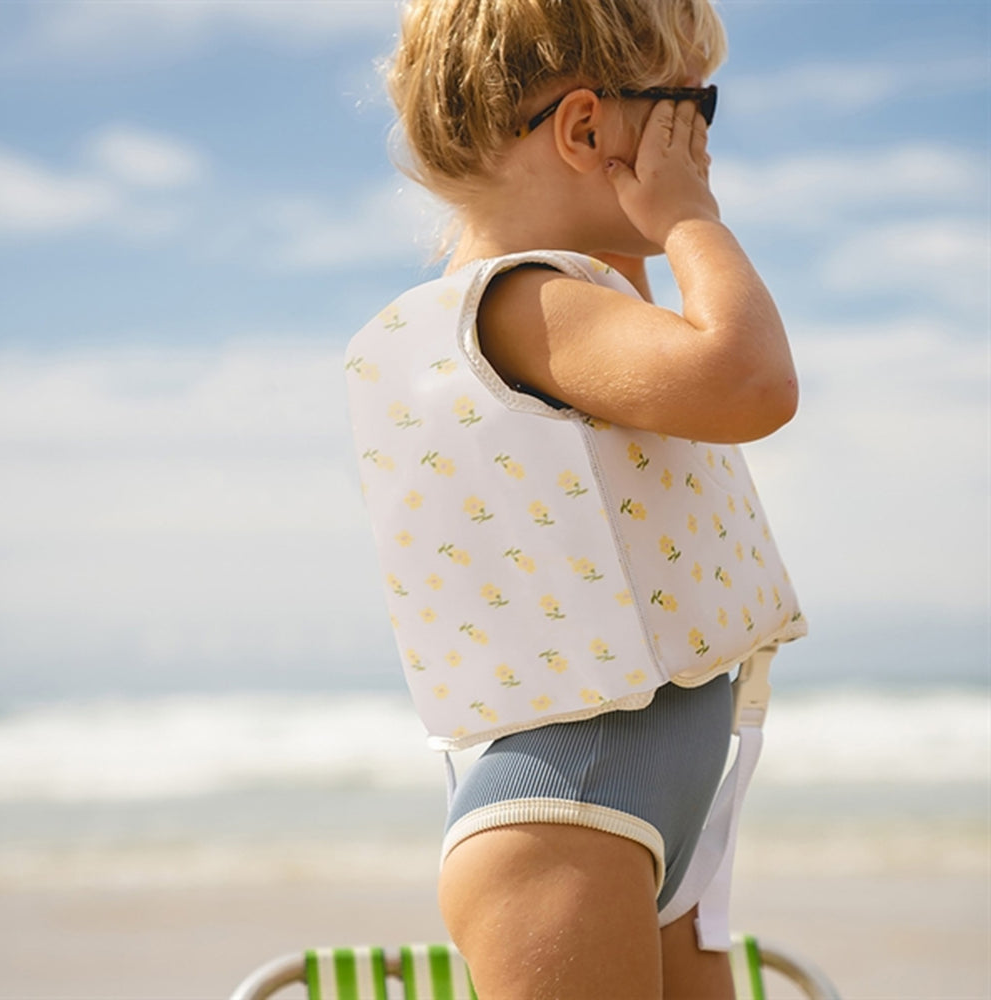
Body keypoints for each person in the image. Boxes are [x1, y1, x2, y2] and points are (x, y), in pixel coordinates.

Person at [345, 1, 805, 996]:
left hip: (641, 807)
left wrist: (643, 217)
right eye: (691, 111)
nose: (702, 149)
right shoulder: (524, 305)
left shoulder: (578, 313)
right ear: (587, 129)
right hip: (567, 823)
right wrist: (688, 218)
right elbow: (750, 381)